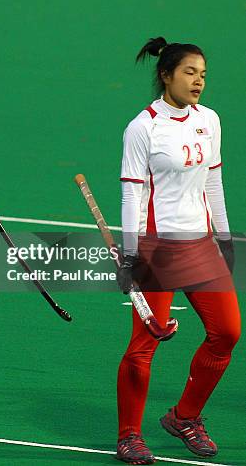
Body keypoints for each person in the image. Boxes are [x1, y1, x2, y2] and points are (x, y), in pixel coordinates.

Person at [115, 37, 240, 464]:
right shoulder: (143, 127)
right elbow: (131, 195)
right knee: (143, 346)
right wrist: (131, 256)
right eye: (189, 72)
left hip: (201, 245)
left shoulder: (210, 120)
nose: (198, 81)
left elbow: (213, 182)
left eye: (203, 74)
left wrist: (224, 238)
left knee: (227, 332)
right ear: (165, 75)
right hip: (157, 249)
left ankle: (185, 417)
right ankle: (129, 435)